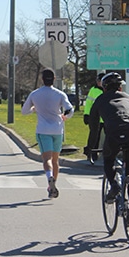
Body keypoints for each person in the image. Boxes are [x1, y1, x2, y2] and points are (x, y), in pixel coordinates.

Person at [21, 68, 74, 199]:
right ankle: (52, 186)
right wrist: (65, 116)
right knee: (55, 160)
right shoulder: (60, 94)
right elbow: (69, 109)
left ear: (42, 79)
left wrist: (33, 109)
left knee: (47, 159)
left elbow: (24, 111)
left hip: (43, 130)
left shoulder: (35, 94)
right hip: (57, 130)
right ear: (54, 79)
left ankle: (49, 177)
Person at [89, 72, 129, 203]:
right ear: (120, 87)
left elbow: (94, 128)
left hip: (113, 134)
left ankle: (114, 185)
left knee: (108, 161)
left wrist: (90, 148)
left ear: (104, 88)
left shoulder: (100, 100)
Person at [83, 73, 105, 164]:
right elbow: (88, 103)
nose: (99, 82)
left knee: (111, 136)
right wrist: (86, 114)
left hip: (106, 118)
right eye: (98, 81)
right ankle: (91, 153)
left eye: (100, 81)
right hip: (95, 118)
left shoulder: (108, 89)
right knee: (94, 137)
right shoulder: (93, 90)